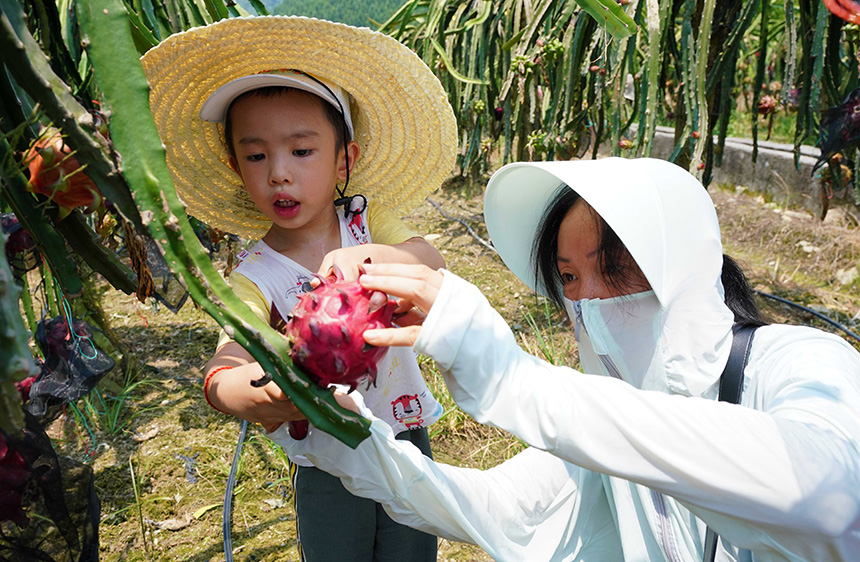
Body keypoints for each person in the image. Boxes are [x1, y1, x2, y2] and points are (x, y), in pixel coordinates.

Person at [273, 157, 860, 562]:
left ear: (678, 267)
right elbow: (498, 507)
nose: (587, 300)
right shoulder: (605, 424)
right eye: (571, 277)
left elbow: (827, 496)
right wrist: (348, 441)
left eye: (616, 268)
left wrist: (512, 378)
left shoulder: (802, 362)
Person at [140, 16, 458, 561]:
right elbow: (224, 368)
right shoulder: (254, 275)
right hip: (324, 460)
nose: (278, 173)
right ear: (236, 167)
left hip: (405, 433)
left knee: (413, 549)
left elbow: (429, 261)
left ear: (344, 161)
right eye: (257, 155)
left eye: (302, 151)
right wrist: (257, 393)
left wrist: (371, 259)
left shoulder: (365, 221)